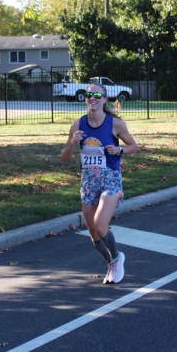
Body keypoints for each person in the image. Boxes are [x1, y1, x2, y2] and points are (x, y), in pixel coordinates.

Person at [61, 82, 139, 283]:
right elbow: (65, 156)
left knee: (100, 225)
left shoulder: (115, 123)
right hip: (88, 182)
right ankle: (111, 263)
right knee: (93, 233)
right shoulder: (78, 125)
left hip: (110, 179)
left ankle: (117, 257)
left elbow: (134, 146)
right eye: (89, 95)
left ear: (104, 99)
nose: (92, 98)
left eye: (97, 95)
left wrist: (119, 150)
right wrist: (72, 143)